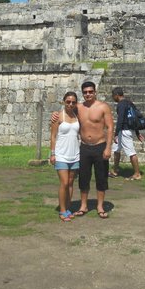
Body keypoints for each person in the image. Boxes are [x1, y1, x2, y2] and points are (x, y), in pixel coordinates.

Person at [53, 81, 114, 219]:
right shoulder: (78, 108)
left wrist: (109, 147)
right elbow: (65, 111)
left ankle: (100, 206)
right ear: (82, 93)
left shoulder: (103, 107)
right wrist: (54, 114)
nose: (88, 94)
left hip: (100, 146)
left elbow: (110, 127)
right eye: (85, 92)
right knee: (84, 178)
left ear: (95, 92)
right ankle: (83, 205)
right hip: (84, 147)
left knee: (101, 177)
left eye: (90, 91)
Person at [49, 91, 81, 222]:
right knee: (64, 182)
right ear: (63, 101)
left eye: (73, 102)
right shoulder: (58, 116)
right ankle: (62, 210)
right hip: (61, 154)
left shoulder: (77, 115)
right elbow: (53, 136)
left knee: (71, 183)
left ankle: (68, 208)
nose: (70, 104)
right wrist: (52, 153)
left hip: (75, 154)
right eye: (68, 101)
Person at [109, 87, 145, 180]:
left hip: (124, 131)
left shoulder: (121, 104)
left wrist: (116, 134)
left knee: (131, 152)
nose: (113, 98)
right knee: (116, 149)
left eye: (113, 96)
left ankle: (137, 174)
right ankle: (115, 170)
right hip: (127, 130)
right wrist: (137, 133)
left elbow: (120, 119)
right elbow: (134, 119)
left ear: (117, 95)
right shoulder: (130, 103)